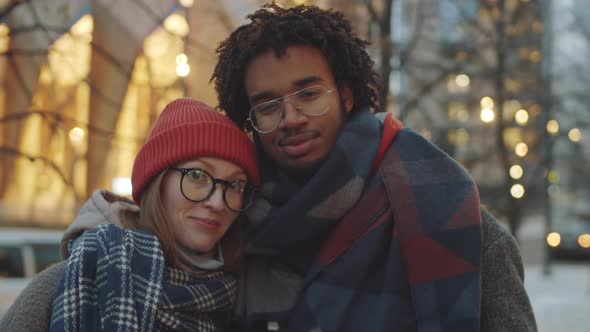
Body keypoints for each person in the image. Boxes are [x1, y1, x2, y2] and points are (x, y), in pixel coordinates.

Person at [211, 3, 537, 332]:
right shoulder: (229, 227)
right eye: (267, 106)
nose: (291, 118)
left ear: (347, 96)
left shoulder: (456, 223)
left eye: (309, 94)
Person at [0, 98, 259, 331]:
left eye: (235, 185)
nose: (217, 202)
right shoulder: (66, 284)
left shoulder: (246, 302)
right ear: (157, 184)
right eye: (197, 176)